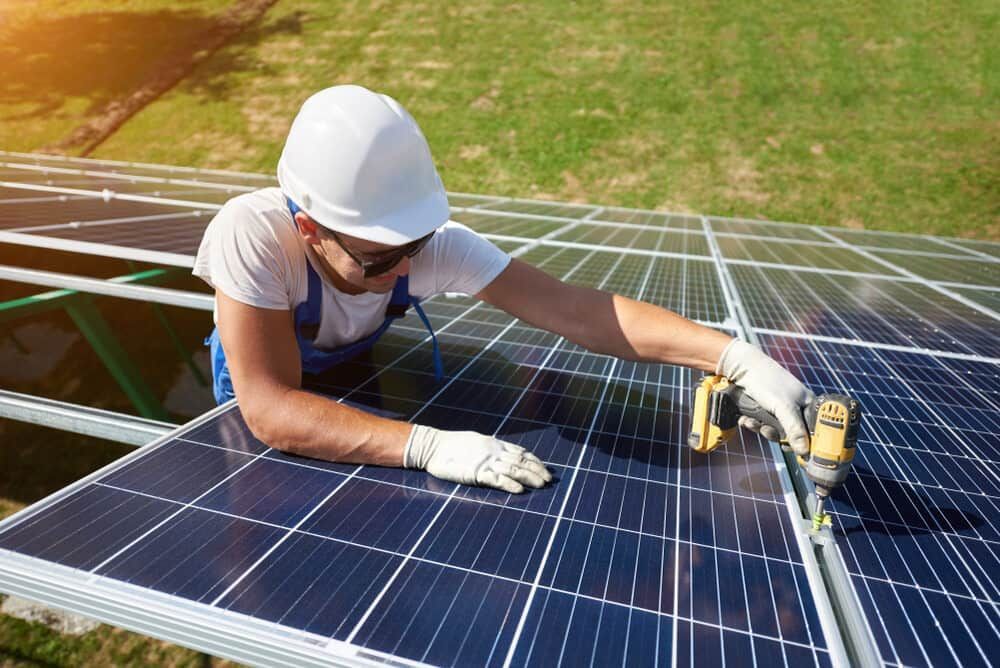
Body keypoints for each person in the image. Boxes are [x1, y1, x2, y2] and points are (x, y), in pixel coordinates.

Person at [193, 84, 813, 494]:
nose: (403, 266)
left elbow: (579, 311)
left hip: (353, 373)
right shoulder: (251, 236)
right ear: (309, 228)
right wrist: (425, 445)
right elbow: (271, 408)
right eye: (379, 254)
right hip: (261, 399)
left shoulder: (422, 246)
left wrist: (733, 356)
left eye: (413, 244)